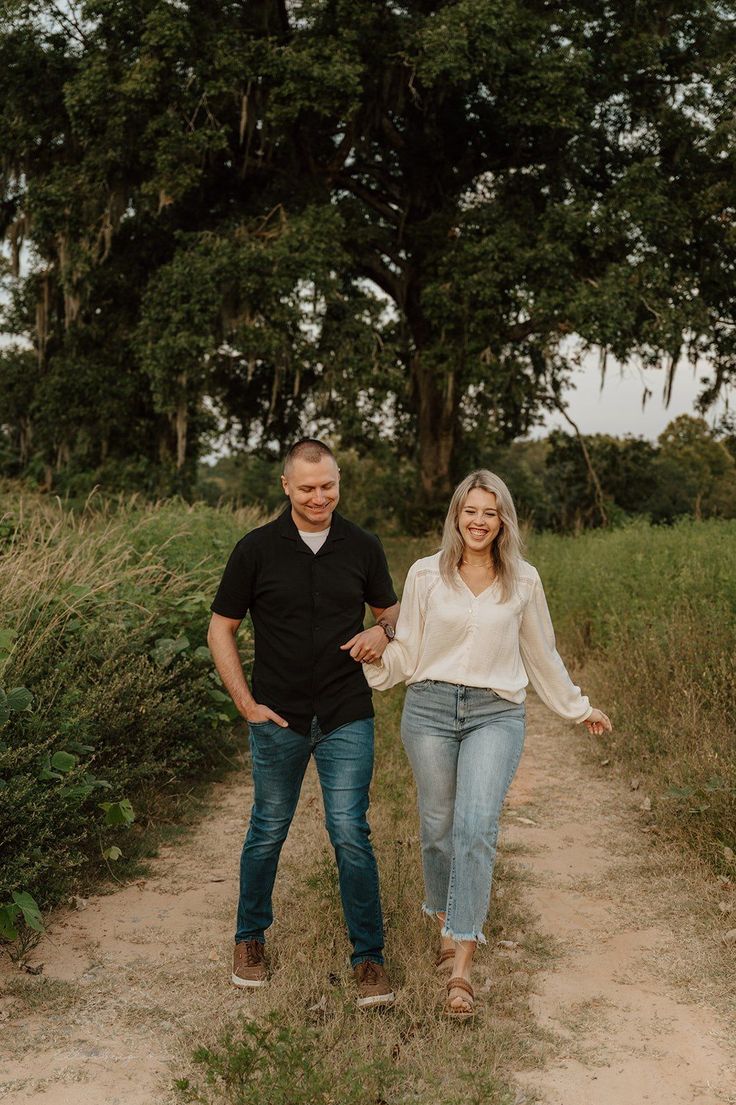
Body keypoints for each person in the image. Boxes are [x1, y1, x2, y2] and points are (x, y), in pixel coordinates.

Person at [363, 470, 612, 1019]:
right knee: (437, 827)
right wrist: (374, 663)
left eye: (490, 513)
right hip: (428, 707)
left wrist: (577, 706)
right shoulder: (426, 574)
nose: (479, 521)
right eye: (470, 511)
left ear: (504, 521)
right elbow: (408, 649)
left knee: (476, 827)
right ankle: (443, 920)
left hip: (496, 712)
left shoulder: (523, 580)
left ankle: (461, 965)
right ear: (456, 515)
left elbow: (541, 653)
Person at [207, 439, 400, 1008]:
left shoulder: (362, 546)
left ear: (339, 482)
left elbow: (389, 611)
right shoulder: (256, 550)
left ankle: (369, 958)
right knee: (268, 828)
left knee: (350, 834)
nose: (320, 498)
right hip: (277, 716)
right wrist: (246, 704)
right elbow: (221, 629)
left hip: (345, 714)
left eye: (329, 486)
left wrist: (382, 632)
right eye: (308, 488)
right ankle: (249, 939)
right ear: (286, 487)